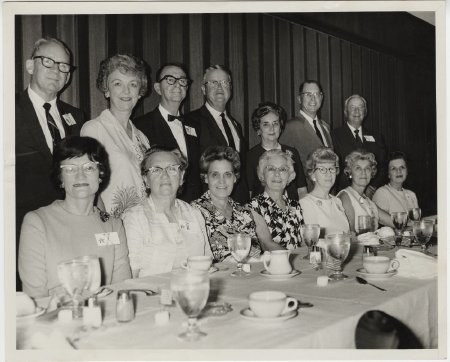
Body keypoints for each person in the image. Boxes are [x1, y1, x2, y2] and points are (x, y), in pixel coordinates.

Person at [18, 136, 131, 298]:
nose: (80, 176)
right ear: (60, 178)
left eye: (89, 167)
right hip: (56, 318)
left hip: (105, 315)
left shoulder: (114, 225)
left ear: (100, 174)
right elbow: (35, 298)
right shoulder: (37, 222)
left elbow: (122, 290)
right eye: (70, 169)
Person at [15, 37, 87, 287]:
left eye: (64, 66)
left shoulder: (76, 117)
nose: (57, 70)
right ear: (30, 66)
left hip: (69, 228)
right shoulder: (8, 110)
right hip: (19, 229)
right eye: (48, 62)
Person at [122, 146, 212, 277]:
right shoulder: (134, 219)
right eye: (156, 170)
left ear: (181, 177)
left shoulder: (194, 214)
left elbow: (207, 261)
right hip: (152, 294)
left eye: (172, 169)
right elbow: (131, 277)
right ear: (146, 179)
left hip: (194, 289)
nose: (165, 175)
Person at [81, 54, 150, 218]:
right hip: (112, 224)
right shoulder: (94, 129)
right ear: (106, 90)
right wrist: (106, 225)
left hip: (144, 226)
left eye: (133, 84)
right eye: (117, 83)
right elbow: (88, 185)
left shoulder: (143, 138)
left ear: (139, 92)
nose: (126, 91)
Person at [191, 146, 279, 262]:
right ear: (206, 178)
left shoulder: (244, 213)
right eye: (215, 175)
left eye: (227, 174)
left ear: (235, 178)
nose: (222, 181)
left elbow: (256, 253)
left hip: (248, 276)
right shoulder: (195, 211)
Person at [134, 63, 201, 202]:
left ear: (187, 88)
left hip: (193, 205)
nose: (177, 85)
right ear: (158, 88)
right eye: (170, 79)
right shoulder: (141, 125)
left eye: (182, 81)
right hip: (161, 205)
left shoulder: (194, 125)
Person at [185, 65, 249, 203]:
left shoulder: (236, 124)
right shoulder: (191, 121)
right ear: (203, 89)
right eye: (214, 83)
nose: (220, 87)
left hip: (238, 204)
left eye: (224, 82)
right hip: (208, 205)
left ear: (230, 89)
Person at [246, 102, 307, 200]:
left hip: (292, 208)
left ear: (280, 127)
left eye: (275, 123)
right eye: (266, 125)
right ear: (258, 129)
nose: (272, 129)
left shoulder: (292, 152)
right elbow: (249, 192)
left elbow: (302, 189)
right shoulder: (251, 156)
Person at [279, 80, 333, 191]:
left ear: (321, 97)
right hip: (306, 193)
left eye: (317, 94)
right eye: (308, 95)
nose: (313, 99)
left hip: (328, 191)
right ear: (299, 99)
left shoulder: (325, 127)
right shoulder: (291, 127)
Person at [331, 94, 387, 197]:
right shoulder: (334, 136)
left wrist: (372, 187)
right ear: (345, 112)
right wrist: (356, 189)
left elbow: (382, 165)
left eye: (360, 107)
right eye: (352, 107)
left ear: (365, 112)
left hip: (373, 194)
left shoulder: (377, 136)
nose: (356, 111)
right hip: (346, 194)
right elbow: (335, 167)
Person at [248, 150, 304, 249]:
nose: (277, 174)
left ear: (290, 175)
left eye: (283, 169)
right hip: (272, 263)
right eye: (271, 169)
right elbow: (267, 245)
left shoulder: (295, 205)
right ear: (262, 175)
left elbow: (304, 242)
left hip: (298, 262)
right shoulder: (254, 207)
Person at [337, 150, 393, 233]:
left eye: (367, 168)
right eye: (358, 168)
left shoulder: (368, 201)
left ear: (372, 173)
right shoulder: (345, 197)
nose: (363, 173)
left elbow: (395, 222)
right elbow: (349, 236)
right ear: (350, 173)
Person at [299, 147, 349, 236]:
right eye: (322, 169)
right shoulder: (306, 204)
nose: (328, 173)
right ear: (312, 174)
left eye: (331, 168)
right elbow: (311, 242)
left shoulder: (337, 201)